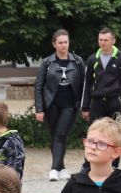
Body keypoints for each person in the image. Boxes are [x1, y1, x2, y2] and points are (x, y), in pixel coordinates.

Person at [34, 29, 86, 182]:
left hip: (70, 105)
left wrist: (84, 106)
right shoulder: (47, 62)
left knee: (61, 134)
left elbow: (84, 84)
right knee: (55, 136)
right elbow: (38, 86)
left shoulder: (77, 61)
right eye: (60, 43)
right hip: (51, 105)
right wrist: (39, 109)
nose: (63, 45)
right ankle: (61, 168)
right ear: (54, 44)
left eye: (66, 42)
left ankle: (53, 168)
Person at [81, 27, 121, 124]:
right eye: (100, 40)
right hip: (96, 102)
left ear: (113, 41)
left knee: (112, 134)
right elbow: (87, 83)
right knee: (96, 134)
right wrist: (85, 107)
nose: (103, 42)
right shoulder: (92, 59)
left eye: (106, 40)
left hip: (114, 102)